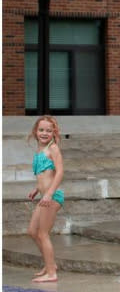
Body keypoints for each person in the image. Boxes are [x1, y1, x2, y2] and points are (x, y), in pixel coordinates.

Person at [27, 115, 65, 283]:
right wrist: (37, 189)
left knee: (43, 234)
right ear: (36, 131)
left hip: (52, 196)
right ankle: (51, 265)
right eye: (41, 130)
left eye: (48, 130)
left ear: (53, 132)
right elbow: (44, 173)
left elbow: (59, 172)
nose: (44, 133)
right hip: (44, 195)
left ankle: (51, 273)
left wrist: (49, 193)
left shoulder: (53, 148)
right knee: (32, 232)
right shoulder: (39, 150)